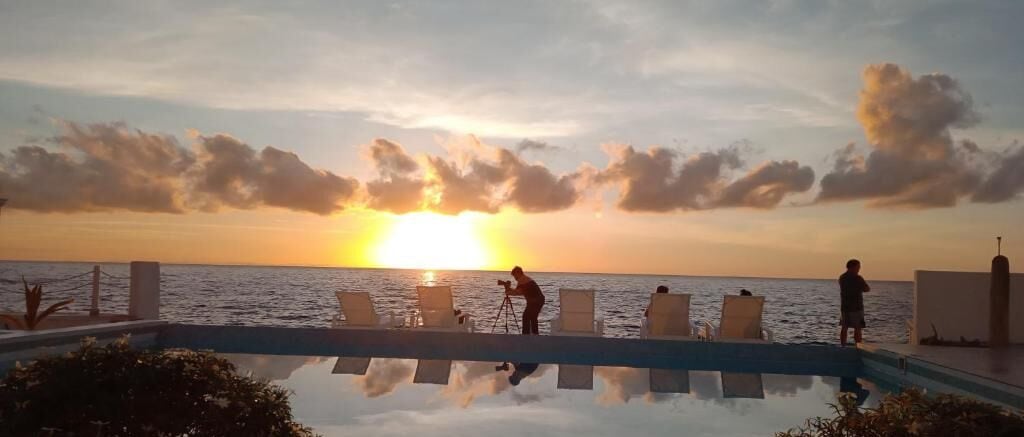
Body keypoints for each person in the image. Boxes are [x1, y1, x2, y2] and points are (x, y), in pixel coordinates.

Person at [502, 266, 545, 335]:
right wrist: (508, 289)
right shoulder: (524, 279)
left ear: (518, 273)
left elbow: (517, 292)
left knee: (526, 317)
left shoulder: (522, 280)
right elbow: (519, 291)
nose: (515, 278)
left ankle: (526, 335)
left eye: (514, 275)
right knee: (532, 317)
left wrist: (507, 289)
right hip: (538, 300)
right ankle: (535, 334)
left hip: (535, 301)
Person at [839, 259, 871, 346]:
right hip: (856, 307)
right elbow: (867, 289)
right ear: (853, 267)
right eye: (858, 267)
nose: (859, 269)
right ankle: (858, 346)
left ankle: (843, 346)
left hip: (845, 307)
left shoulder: (842, 277)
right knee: (857, 328)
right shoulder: (858, 278)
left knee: (844, 327)